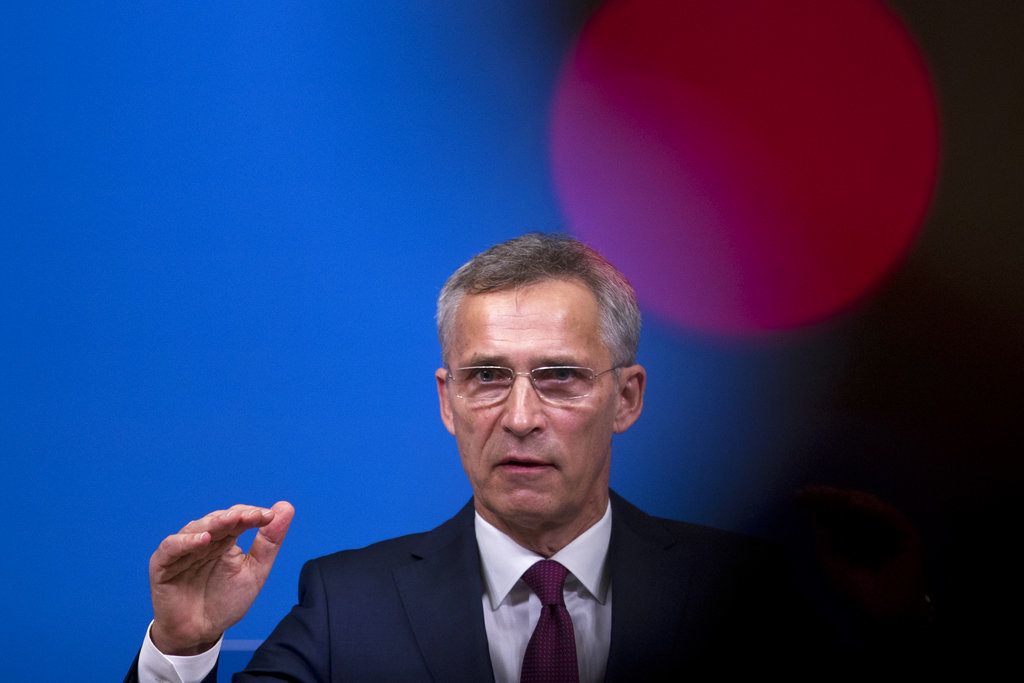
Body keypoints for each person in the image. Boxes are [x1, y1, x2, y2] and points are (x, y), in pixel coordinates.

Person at [127, 233, 802, 682]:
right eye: (486, 378)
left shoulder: (746, 592)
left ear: (626, 397)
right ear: (447, 402)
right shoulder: (348, 606)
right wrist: (181, 648)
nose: (519, 417)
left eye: (559, 375)